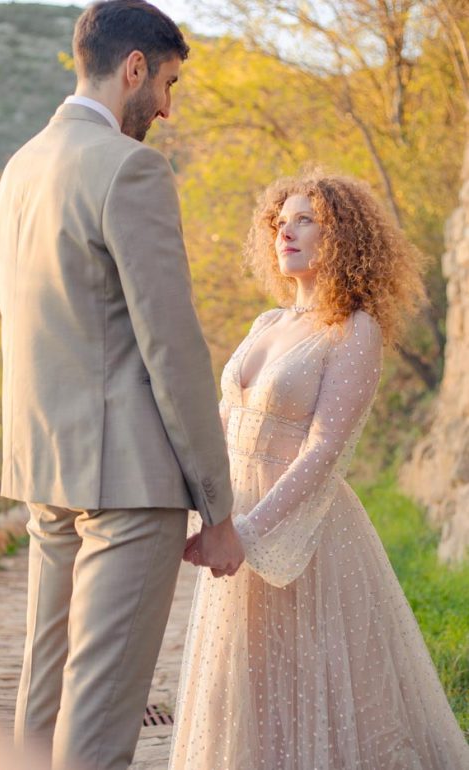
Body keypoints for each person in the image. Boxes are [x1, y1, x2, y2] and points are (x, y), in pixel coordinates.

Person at [0, 2, 244, 769]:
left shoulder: (22, 167)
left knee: (43, 701)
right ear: (133, 67)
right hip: (127, 484)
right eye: (167, 83)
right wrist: (219, 506)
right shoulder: (131, 168)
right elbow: (172, 347)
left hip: (47, 469)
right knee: (101, 718)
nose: (167, 106)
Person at [170, 170, 469, 769]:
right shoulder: (266, 324)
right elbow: (220, 430)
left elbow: (325, 448)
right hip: (233, 521)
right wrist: (199, 513)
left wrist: (249, 533)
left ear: (344, 236)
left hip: (302, 535)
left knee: (309, 688)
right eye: (281, 221)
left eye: (306, 219)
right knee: (245, 686)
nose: (287, 231)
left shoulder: (355, 330)